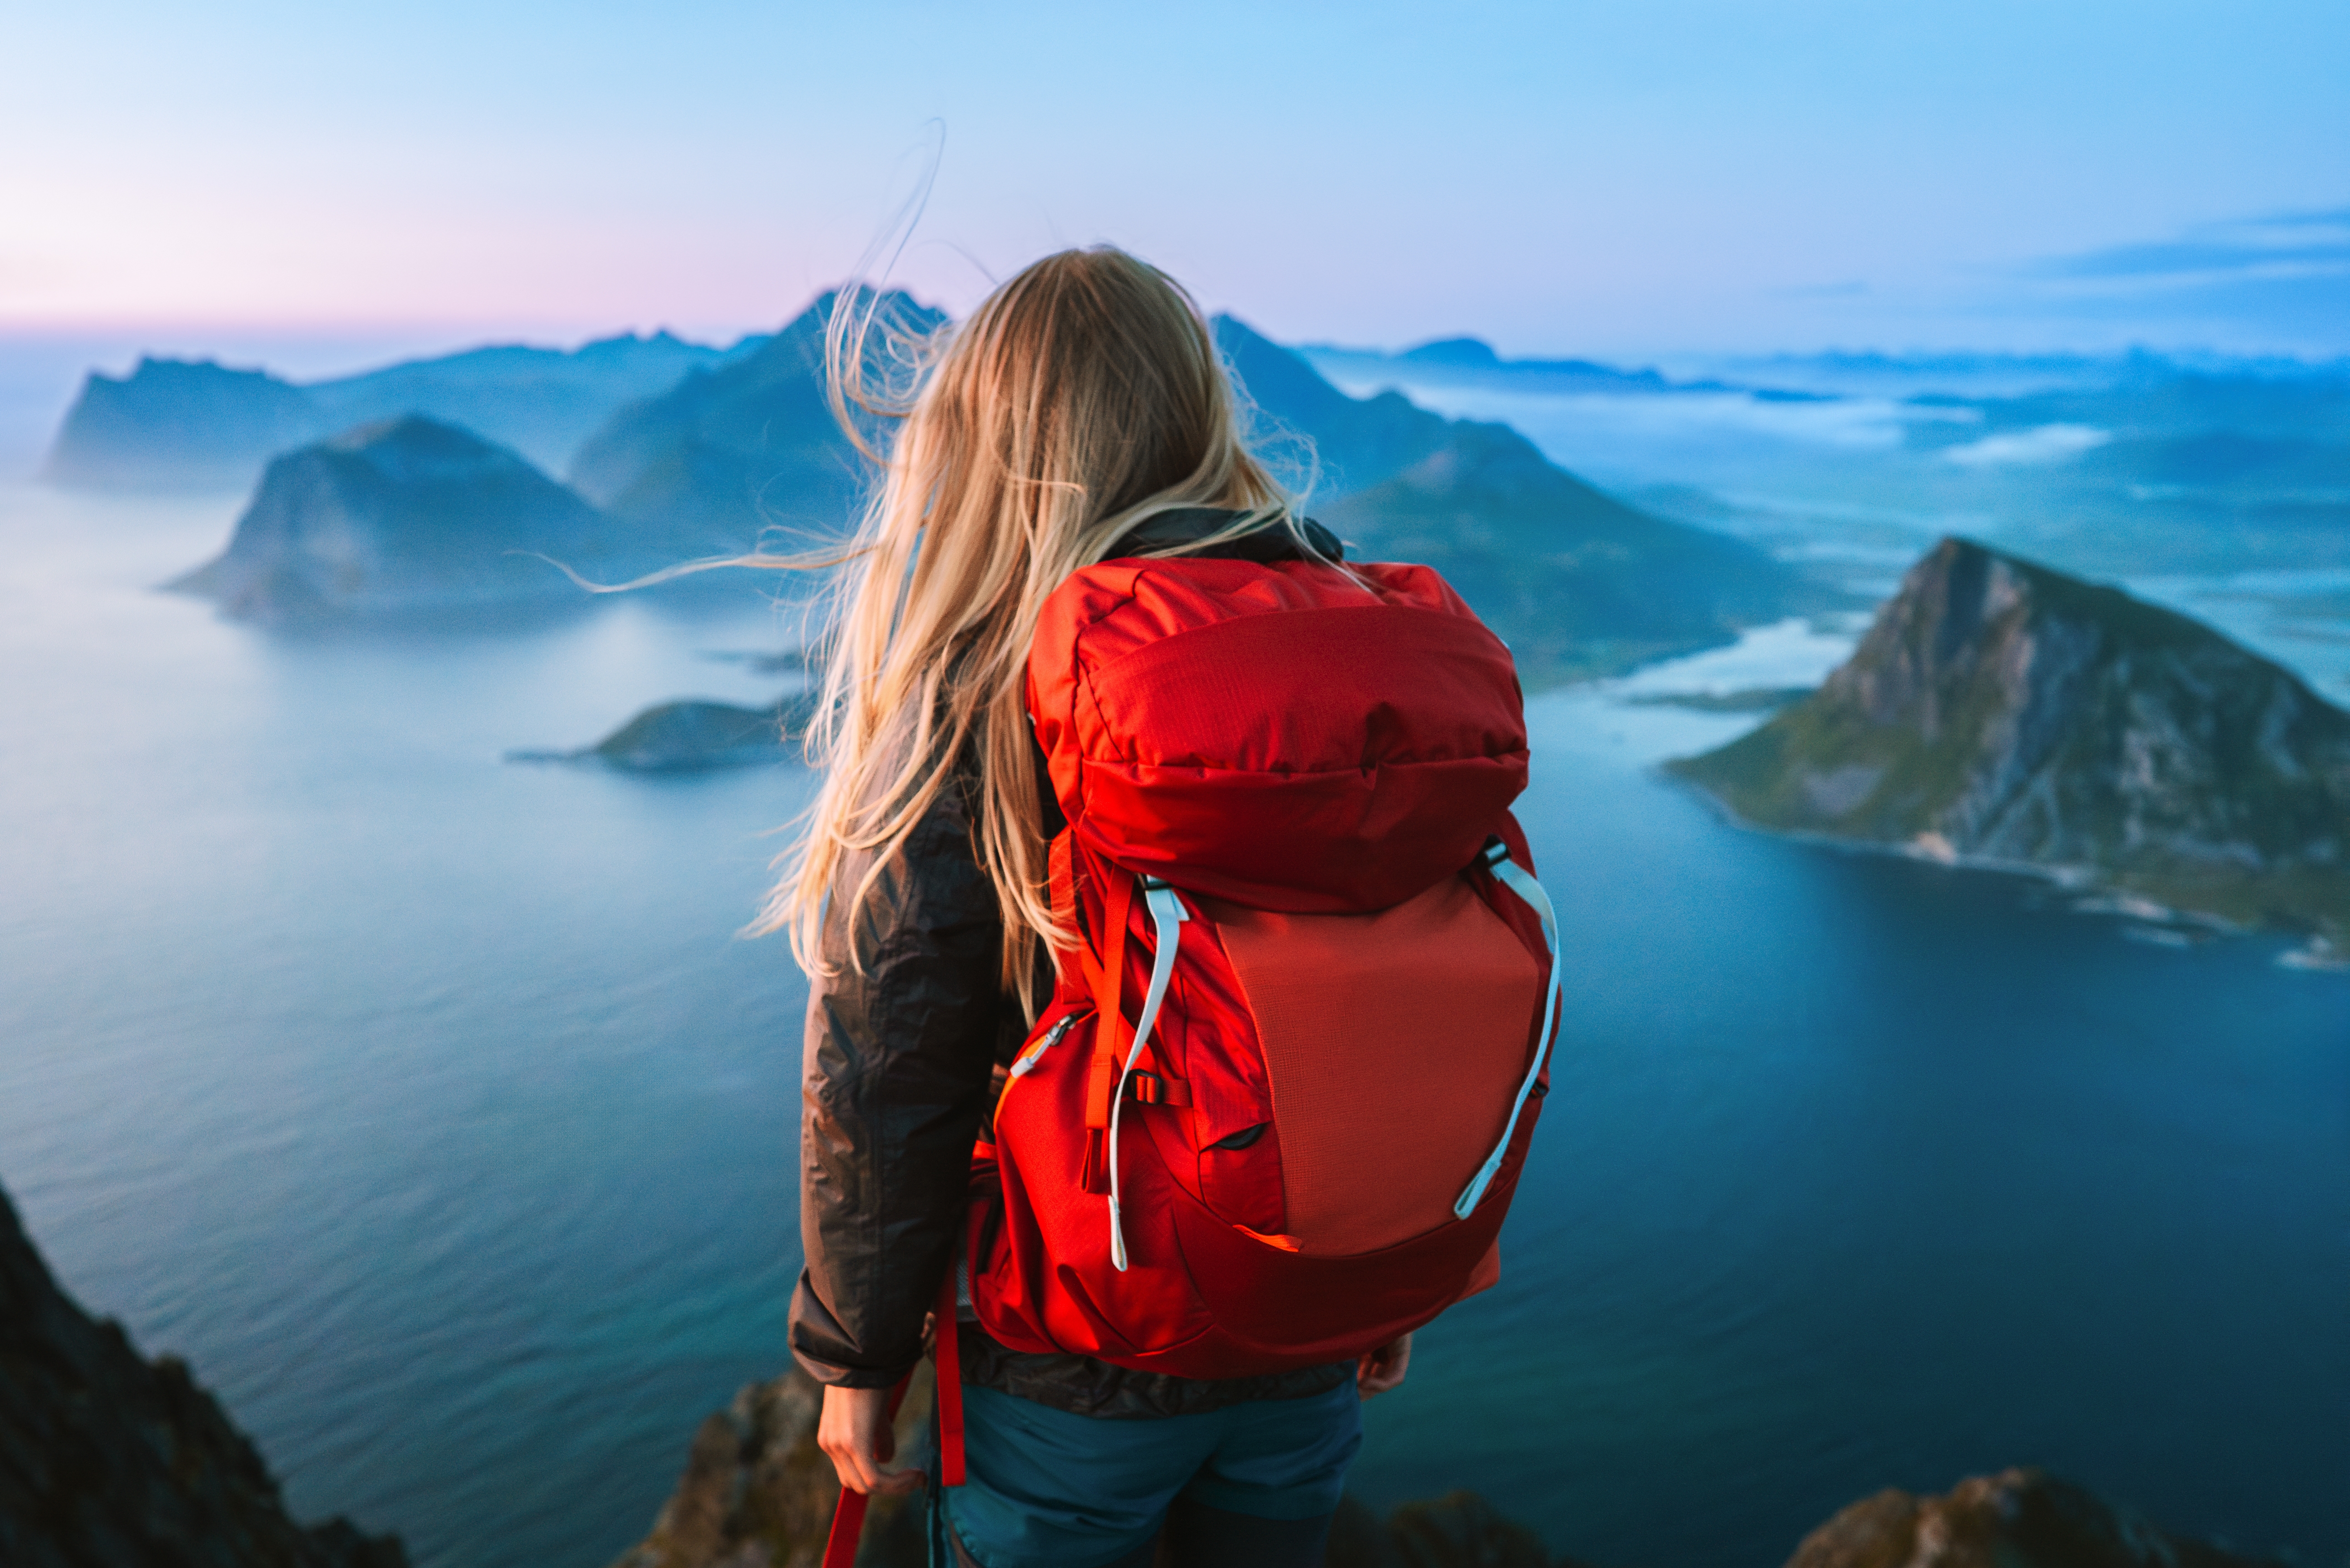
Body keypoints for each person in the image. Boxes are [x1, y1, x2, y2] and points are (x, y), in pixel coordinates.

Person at [773, 249, 1433, 1568]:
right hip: (1298, 1331)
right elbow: (1395, 977)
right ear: (1199, 418)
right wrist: (1378, 1264)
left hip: (1072, 1364)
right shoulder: (1330, 649)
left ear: (989, 450)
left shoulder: (985, 691)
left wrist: (859, 1352)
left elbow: (892, 1048)